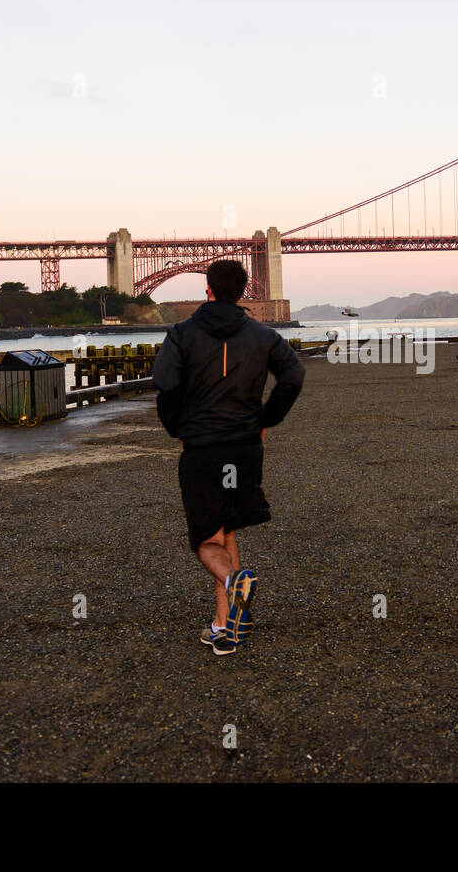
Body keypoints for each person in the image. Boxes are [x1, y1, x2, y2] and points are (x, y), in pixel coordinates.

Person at [152, 260, 305, 655]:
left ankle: (236, 583)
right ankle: (225, 626)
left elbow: (165, 386)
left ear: (208, 289)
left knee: (205, 540)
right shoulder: (264, 335)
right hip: (244, 450)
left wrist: (177, 426)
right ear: (242, 292)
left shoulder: (181, 334)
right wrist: (266, 418)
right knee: (227, 529)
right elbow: (294, 377)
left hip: (203, 450)